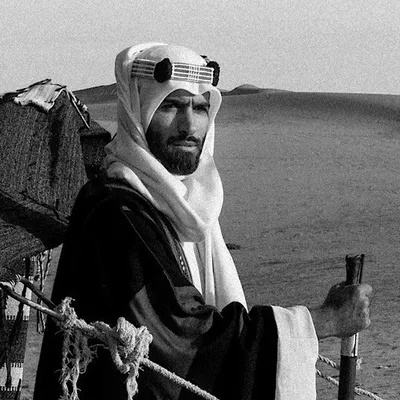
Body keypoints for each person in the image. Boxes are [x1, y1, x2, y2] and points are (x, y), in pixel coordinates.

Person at [34, 43, 372, 400]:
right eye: (171, 106)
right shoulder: (116, 212)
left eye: (200, 108)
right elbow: (183, 337)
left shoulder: (189, 206)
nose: (189, 125)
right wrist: (324, 320)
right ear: (137, 114)